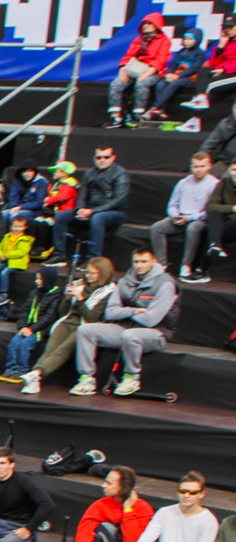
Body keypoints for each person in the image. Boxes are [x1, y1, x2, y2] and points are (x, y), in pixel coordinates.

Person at [71, 245, 176, 397]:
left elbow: (151, 319)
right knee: (85, 330)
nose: (139, 265)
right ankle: (86, 379)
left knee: (130, 335)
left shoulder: (166, 284)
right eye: (136, 261)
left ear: (154, 261)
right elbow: (110, 312)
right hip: (124, 327)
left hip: (157, 332)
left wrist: (123, 312)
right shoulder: (124, 281)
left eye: (143, 261)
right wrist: (132, 310)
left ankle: (131, 377)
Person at [153, 151, 228, 283]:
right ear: (191, 167)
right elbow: (172, 204)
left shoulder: (214, 184)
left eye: (202, 166)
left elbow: (210, 210)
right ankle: (162, 263)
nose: (198, 170)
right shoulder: (183, 182)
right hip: (180, 217)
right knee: (157, 227)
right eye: (196, 166)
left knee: (193, 228)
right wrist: (175, 215)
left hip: (200, 219)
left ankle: (186, 265)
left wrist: (190, 217)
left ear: (209, 166)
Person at [71, 145, 131, 262]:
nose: (102, 160)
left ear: (113, 158)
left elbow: (119, 200)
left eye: (106, 157)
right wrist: (79, 209)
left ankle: (93, 259)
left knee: (97, 218)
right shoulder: (89, 174)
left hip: (116, 212)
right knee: (61, 217)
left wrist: (92, 211)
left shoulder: (121, 174)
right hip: (90, 210)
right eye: (99, 157)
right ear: (94, 158)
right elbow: (82, 194)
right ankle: (59, 255)